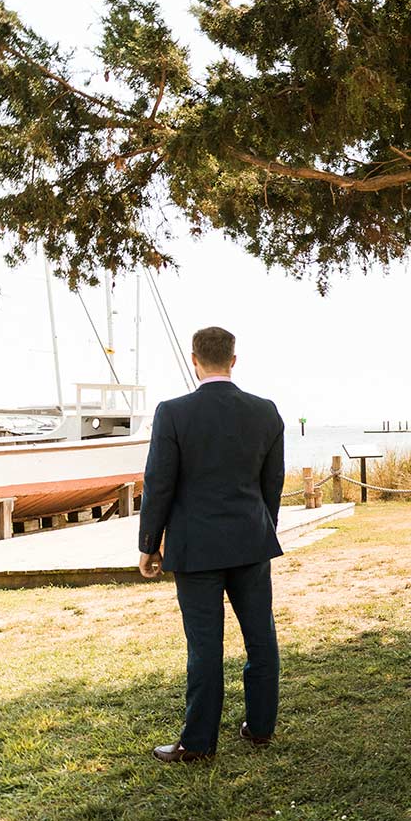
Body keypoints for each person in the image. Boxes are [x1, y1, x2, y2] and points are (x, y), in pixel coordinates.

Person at [138, 326, 287, 763]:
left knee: (204, 646)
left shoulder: (173, 412)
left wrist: (149, 543)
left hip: (195, 548)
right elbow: (272, 483)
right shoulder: (265, 411)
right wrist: (263, 529)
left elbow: (158, 484)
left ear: (194, 360)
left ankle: (198, 743)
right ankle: (260, 728)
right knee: (261, 636)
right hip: (251, 541)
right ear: (234, 360)